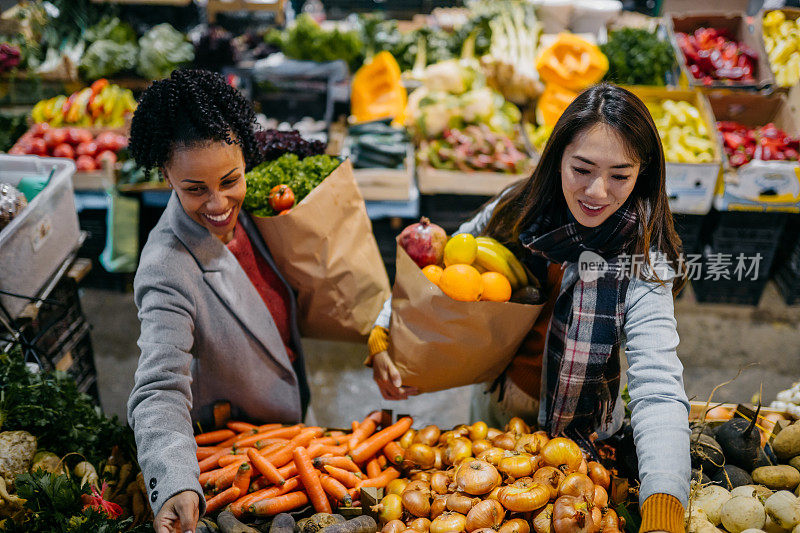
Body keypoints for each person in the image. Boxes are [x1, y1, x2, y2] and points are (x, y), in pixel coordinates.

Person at [367, 84, 690, 532]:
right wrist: (386, 327)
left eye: (620, 175)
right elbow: (438, 260)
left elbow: (658, 387)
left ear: (643, 173)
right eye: (582, 168)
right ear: (557, 156)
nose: (597, 191)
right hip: (497, 406)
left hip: (581, 433)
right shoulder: (520, 209)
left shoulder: (642, 258)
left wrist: (665, 500)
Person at [126, 69, 310, 533]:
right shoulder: (166, 265)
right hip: (237, 455)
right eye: (194, 189)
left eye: (230, 179)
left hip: (288, 428)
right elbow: (158, 387)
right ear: (165, 174)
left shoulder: (262, 207)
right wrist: (173, 481)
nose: (218, 203)